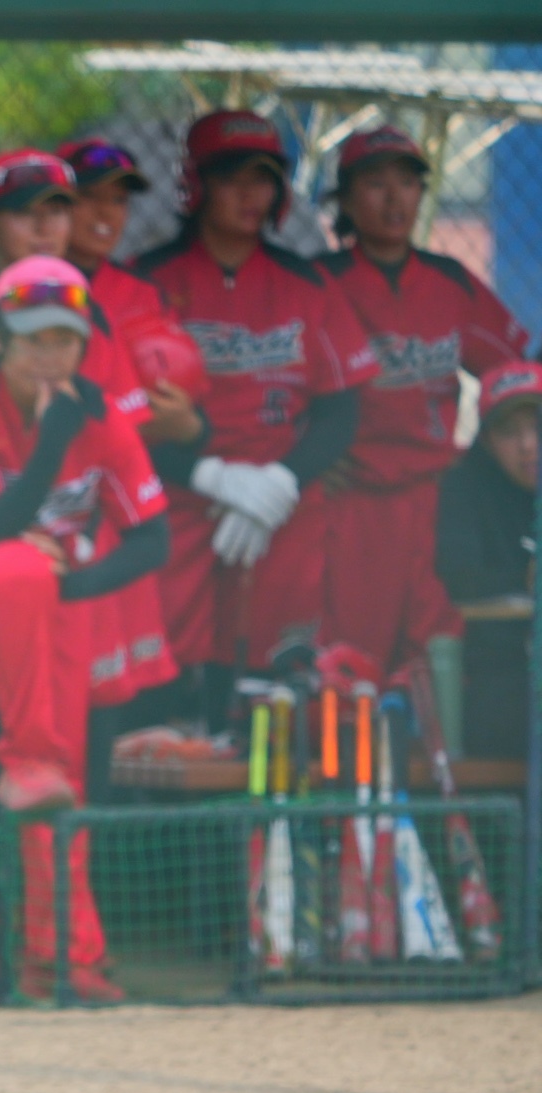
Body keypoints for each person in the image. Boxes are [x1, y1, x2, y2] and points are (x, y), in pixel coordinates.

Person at [0, 257, 173, 1003]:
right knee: (23, 565)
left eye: (65, 340)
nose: (50, 356)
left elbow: (153, 538)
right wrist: (53, 441)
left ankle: (64, 959)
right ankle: (26, 759)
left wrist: (73, 587)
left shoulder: (96, 412)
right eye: (33, 339)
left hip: (37, 602)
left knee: (65, 779)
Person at [133, 110, 376, 689]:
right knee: (165, 668)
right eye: (231, 178)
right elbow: (121, 417)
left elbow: (341, 410)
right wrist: (210, 476)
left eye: (263, 179)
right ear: (197, 184)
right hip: (175, 495)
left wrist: (283, 482)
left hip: (279, 503)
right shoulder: (147, 282)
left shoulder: (307, 285)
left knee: (275, 675)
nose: (250, 195)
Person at [316, 125, 532, 675]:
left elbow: (515, 372)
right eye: (376, 184)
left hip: (439, 499)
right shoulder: (320, 283)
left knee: (435, 656)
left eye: (408, 183)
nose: (395, 199)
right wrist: (306, 456)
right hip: (355, 499)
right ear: (346, 199)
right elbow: (279, 387)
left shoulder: (449, 282)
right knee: (353, 657)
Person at [0, 149, 148, 428]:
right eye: (24, 212)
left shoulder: (87, 310)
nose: (44, 228)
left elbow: (123, 427)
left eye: (57, 211)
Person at [57, 137, 208, 448]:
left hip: (127, 458)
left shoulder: (143, 292)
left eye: (118, 200)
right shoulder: (23, 285)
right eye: (88, 196)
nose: (106, 212)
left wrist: (190, 427)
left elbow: (185, 402)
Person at [434, 362, 540, 761]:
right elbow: (460, 577)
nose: (528, 445)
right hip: (504, 676)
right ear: (488, 442)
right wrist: (527, 579)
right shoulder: (466, 486)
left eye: (538, 427)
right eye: (510, 432)